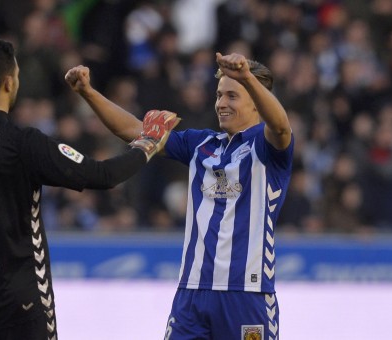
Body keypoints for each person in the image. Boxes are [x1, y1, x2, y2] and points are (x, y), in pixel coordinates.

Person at [0, 38, 179, 340]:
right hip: (19, 304)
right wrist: (147, 144)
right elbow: (103, 175)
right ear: (9, 82)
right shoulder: (23, 143)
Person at [65, 51, 293, 340]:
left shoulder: (268, 148)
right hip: (192, 294)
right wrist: (88, 92)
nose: (221, 103)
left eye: (232, 96)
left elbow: (281, 126)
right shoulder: (201, 144)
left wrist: (246, 75)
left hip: (246, 294)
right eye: (219, 95)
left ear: (257, 103)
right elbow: (134, 130)